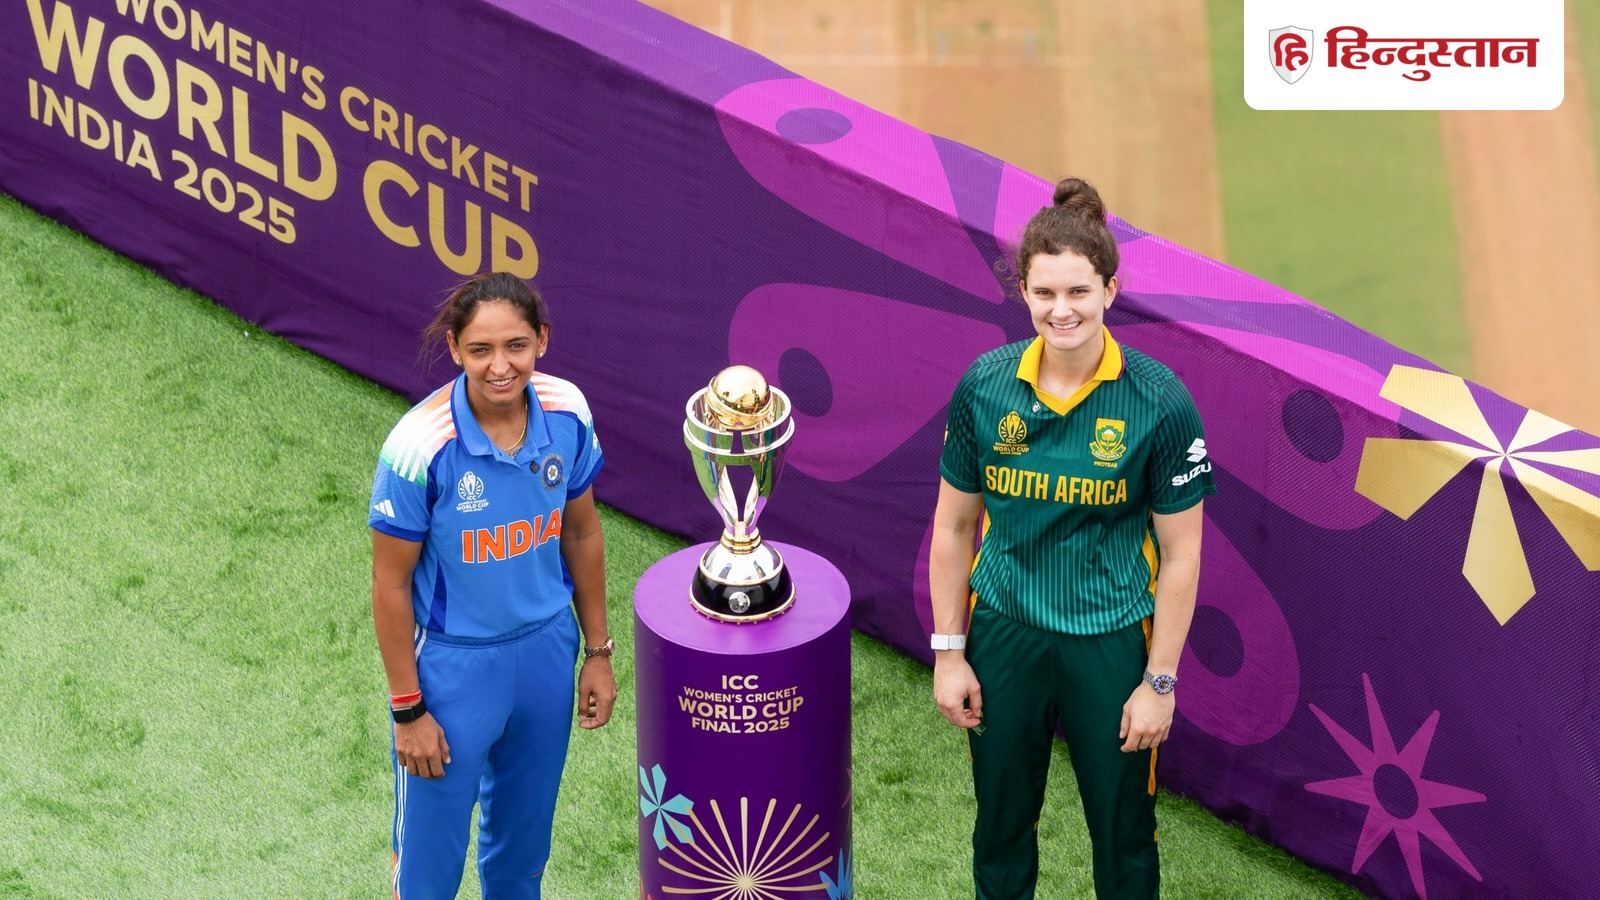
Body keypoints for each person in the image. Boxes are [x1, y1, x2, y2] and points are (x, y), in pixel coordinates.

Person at [929, 178, 1214, 899]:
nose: (1062, 310)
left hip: (1111, 643)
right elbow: (954, 527)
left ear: (1111, 290)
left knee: (1124, 836)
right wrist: (950, 653)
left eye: (1079, 291)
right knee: (1000, 824)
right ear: (1023, 291)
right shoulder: (985, 386)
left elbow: (1182, 554)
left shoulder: (1160, 400)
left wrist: (1159, 683)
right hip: (1003, 636)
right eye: (1045, 292)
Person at [368, 271, 617, 899]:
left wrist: (597, 651)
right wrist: (407, 709)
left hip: (547, 656)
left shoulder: (568, 412)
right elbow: (390, 584)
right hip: (453, 673)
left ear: (542, 341)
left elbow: (581, 533)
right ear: (455, 349)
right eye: (480, 350)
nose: (500, 366)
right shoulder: (418, 447)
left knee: (522, 857)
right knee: (427, 871)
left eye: (516, 346)